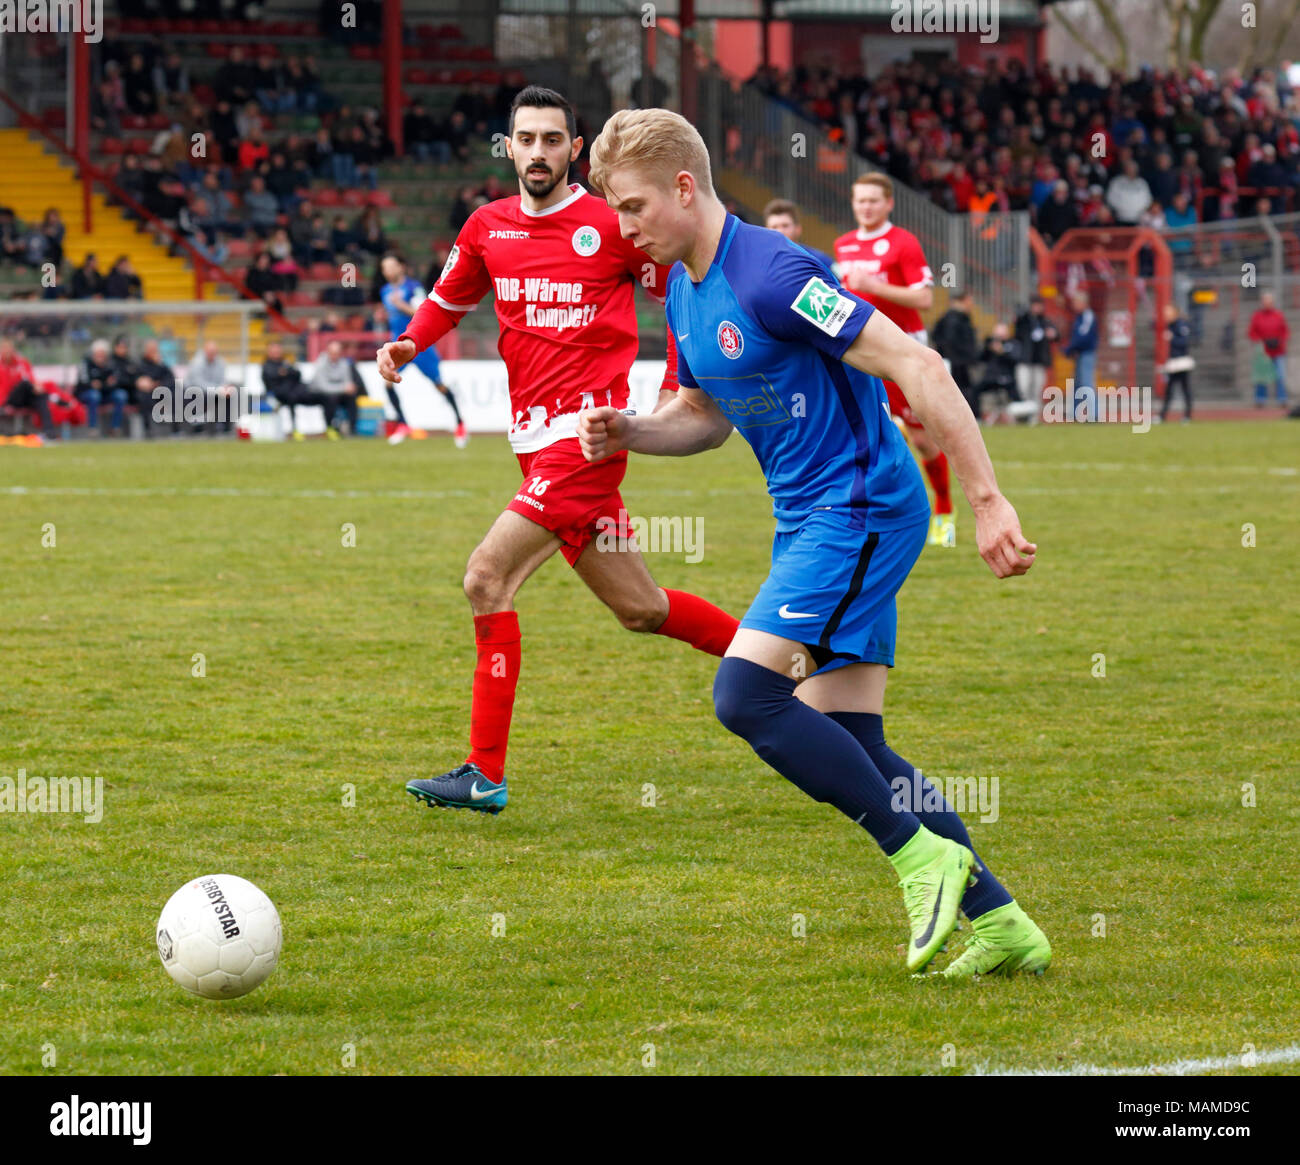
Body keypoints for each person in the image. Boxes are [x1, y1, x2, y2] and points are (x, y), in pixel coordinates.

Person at [580, 107, 1049, 978]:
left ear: (685, 187)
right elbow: (703, 418)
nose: (623, 226)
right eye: (616, 210)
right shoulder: (683, 288)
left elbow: (918, 362)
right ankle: (1004, 920)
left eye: (634, 206)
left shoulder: (774, 273)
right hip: (809, 516)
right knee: (852, 735)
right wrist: (630, 432)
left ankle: (922, 858)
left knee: (746, 693)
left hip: (863, 507)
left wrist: (986, 499)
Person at [379, 86, 740, 815]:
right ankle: (790, 662)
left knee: (486, 577)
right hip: (529, 443)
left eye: (552, 139)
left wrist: (677, 384)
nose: (538, 151)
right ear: (507, 147)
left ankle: (484, 772)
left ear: (575, 149)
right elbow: (450, 296)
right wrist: (410, 341)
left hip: (584, 441)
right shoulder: (488, 227)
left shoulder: (611, 223)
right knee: (641, 608)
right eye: (526, 139)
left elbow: (676, 290)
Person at [833, 173, 956, 548]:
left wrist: (875, 287)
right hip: (859, 348)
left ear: (889, 203)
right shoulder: (844, 244)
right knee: (859, 432)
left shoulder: (903, 243)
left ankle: (945, 510)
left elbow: (924, 300)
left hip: (904, 348)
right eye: (860, 200)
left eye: (873, 200)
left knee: (920, 437)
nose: (866, 207)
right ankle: (870, 519)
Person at [377, 253, 466, 446]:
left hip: (418, 344)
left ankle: (460, 424)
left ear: (400, 267)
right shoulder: (384, 291)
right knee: (388, 383)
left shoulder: (413, 287)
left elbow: (420, 312)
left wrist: (400, 305)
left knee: (439, 385)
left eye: (391, 265)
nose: (388, 270)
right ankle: (402, 424)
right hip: (397, 345)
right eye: (385, 268)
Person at [262, 339, 330, 439]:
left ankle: (328, 428)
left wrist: (284, 373)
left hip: (297, 391)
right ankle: (294, 430)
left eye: (278, 350)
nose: (277, 353)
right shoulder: (267, 366)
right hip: (280, 395)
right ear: (269, 352)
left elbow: (297, 374)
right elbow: (272, 378)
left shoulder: (285, 363)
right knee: (292, 398)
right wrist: (284, 373)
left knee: (324, 397)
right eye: (274, 351)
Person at [931, 289, 979, 410]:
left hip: (959, 361)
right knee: (960, 390)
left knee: (964, 389)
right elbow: (948, 341)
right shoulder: (953, 319)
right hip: (957, 362)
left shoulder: (960, 318)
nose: (972, 304)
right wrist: (954, 357)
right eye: (969, 301)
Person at [0, 338, 56, 439]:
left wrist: (35, 387)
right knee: (25, 384)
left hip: (24, 397)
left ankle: (49, 433)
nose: (7, 351)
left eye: (9, 348)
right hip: (8, 399)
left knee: (41, 399)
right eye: (5, 349)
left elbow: (31, 378)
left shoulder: (22, 363)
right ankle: (54, 398)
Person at [308, 339, 364, 437]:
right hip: (319, 393)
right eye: (333, 353)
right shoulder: (321, 364)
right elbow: (323, 387)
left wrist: (348, 388)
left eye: (337, 353)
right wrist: (343, 388)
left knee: (352, 398)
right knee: (330, 399)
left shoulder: (344, 363)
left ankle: (352, 428)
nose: (335, 355)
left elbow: (347, 381)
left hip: (338, 392)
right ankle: (330, 427)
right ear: (328, 352)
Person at [761, 199, 834, 274]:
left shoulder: (819, 260)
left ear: (798, 229)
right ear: (766, 231)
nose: (780, 231)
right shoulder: (760, 262)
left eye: (785, 226)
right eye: (774, 227)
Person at [969, 323, 1022, 420]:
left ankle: (1020, 418)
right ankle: (977, 418)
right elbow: (980, 358)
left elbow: (1015, 360)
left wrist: (1002, 352)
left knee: (1017, 397)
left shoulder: (1013, 344)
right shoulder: (990, 344)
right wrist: (987, 348)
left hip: (1007, 378)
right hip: (990, 378)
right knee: (974, 391)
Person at [186, 339, 240, 433]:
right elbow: (198, 383)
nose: (212, 354)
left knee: (230, 395)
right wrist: (217, 389)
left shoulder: (221, 362)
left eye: (214, 352)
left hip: (214, 392)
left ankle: (225, 426)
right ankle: (199, 426)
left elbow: (222, 379)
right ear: (205, 351)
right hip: (195, 392)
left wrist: (225, 388)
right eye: (210, 352)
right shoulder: (197, 362)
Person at [1013, 298, 1057, 412]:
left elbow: (1056, 334)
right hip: (1025, 360)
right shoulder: (1024, 320)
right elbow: (1017, 332)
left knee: (1037, 390)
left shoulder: (1045, 321)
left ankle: (1034, 415)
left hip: (1039, 361)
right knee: (1024, 388)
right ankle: (1024, 414)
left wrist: (1053, 334)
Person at [1247, 291, 1289, 407]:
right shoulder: (1257, 316)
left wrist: (1279, 341)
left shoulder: (1278, 315)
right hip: (1263, 352)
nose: (1267, 303)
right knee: (1261, 377)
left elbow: (1285, 331)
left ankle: (1282, 399)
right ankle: (1260, 399)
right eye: (1265, 301)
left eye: (1269, 301)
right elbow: (1252, 333)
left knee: (1280, 375)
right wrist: (1261, 341)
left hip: (1278, 350)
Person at [1064, 291, 1097, 420]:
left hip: (1086, 353)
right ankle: (1075, 413)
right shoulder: (1079, 317)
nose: (1074, 305)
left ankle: (1093, 414)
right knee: (1077, 384)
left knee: (1087, 383)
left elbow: (1082, 337)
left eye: (1076, 302)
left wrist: (1070, 348)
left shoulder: (1088, 316)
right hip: (1079, 354)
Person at [1161, 302, 1194, 422]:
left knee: (1185, 390)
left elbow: (1184, 342)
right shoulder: (1170, 325)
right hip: (1173, 363)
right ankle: (1162, 415)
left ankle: (1187, 415)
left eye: (1168, 312)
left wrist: (1172, 338)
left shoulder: (1180, 325)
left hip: (1182, 363)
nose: (1165, 314)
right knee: (1169, 390)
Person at [75, 339, 117, 432]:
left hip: (105, 393)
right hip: (85, 393)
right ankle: (92, 428)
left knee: (120, 395)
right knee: (94, 395)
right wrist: (93, 384)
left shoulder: (110, 364)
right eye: (98, 354)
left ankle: (115, 428)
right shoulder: (85, 363)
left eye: (102, 354)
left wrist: (102, 384)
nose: (100, 356)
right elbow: (84, 381)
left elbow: (113, 382)